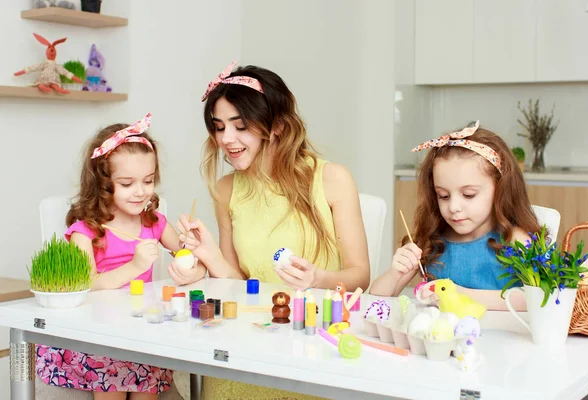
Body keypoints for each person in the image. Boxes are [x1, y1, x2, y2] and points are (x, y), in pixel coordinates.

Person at [168, 61, 370, 400]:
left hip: (312, 345)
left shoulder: (332, 179)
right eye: (218, 127)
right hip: (248, 341)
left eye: (240, 126)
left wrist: (317, 278)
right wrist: (209, 254)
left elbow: (360, 275)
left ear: (276, 125)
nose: (226, 139)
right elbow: (236, 282)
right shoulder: (225, 188)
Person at [35, 113, 205, 399]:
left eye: (148, 181)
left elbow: (189, 256)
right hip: (101, 335)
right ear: (104, 184)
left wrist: (192, 263)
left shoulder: (155, 223)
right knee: (112, 385)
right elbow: (86, 284)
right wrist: (135, 266)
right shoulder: (86, 231)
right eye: (127, 184)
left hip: (141, 332)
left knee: (147, 385)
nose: (140, 192)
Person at [369, 121, 540, 311]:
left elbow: (538, 299)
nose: (454, 207)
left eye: (468, 195)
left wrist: (459, 294)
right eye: (443, 196)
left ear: (500, 190)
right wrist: (395, 272)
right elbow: (376, 300)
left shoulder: (516, 241)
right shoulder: (432, 241)